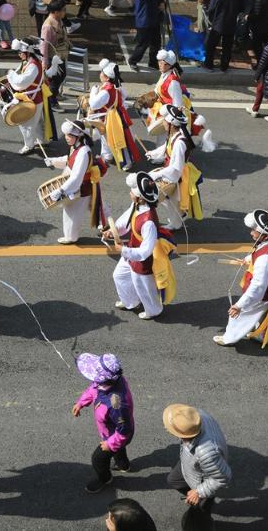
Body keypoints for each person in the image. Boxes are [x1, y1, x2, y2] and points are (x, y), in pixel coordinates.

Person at [104, 172, 177, 321]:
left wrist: (123, 250)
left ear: (140, 197)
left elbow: (145, 252)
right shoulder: (136, 205)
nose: (129, 192)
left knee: (143, 287)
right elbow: (125, 221)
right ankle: (130, 301)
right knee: (119, 275)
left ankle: (153, 310)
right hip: (132, 250)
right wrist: (113, 231)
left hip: (142, 257)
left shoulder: (148, 222)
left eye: (132, 191)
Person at [214, 210, 268, 347]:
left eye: (253, 230)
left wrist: (239, 305)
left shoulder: (265, 259)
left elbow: (258, 285)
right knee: (263, 313)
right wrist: (249, 259)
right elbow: (260, 255)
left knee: (239, 316)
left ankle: (228, 338)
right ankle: (263, 335)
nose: (251, 233)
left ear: (264, 234)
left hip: (261, 292)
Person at [71, 353, 135, 493]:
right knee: (119, 450)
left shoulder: (117, 405)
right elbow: (92, 389)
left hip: (115, 436)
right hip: (112, 433)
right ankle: (124, 465)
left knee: (98, 459)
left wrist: (109, 443)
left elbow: (124, 430)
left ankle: (105, 478)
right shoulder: (111, 381)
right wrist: (81, 403)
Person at [163, 403, 231, 531]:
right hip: (190, 466)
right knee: (173, 480)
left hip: (202, 479)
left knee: (199, 517)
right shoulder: (195, 417)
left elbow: (222, 477)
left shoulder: (206, 453)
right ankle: (199, 503)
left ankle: (204, 516)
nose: (167, 429)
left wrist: (199, 492)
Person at [43, 120, 105, 245]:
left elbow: (76, 176)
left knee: (71, 211)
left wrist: (61, 190)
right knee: (97, 208)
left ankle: (71, 237)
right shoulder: (76, 148)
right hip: (81, 186)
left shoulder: (83, 152)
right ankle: (108, 226)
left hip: (81, 188)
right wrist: (53, 161)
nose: (66, 138)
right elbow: (69, 161)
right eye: (66, 135)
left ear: (78, 136)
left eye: (70, 136)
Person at [146, 105, 203, 230]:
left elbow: (176, 167)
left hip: (178, 174)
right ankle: (177, 219)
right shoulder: (175, 135)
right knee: (171, 199)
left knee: (169, 197)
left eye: (165, 122)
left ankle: (175, 223)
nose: (164, 124)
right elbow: (166, 147)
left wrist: (156, 174)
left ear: (172, 124)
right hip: (174, 170)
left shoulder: (179, 143)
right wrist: (153, 153)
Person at [128, 0, 183, 70]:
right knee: (143, 44)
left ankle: (153, 62)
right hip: (144, 20)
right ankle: (133, 60)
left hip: (153, 17)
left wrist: (160, 2)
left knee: (156, 43)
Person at [88, 60, 142, 169]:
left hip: (110, 118)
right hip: (117, 115)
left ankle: (125, 161)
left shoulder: (105, 91)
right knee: (106, 137)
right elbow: (124, 96)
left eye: (102, 73)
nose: (100, 74)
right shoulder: (115, 85)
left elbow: (93, 104)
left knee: (117, 139)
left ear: (107, 77)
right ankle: (107, 156)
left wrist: (93, 92)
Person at [6, 37, 56, 154]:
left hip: (32, 98)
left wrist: (11, 74)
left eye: (20, 52)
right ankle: (43, 140)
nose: (19, 55)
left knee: (26, 123)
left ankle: (29, 146)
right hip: (34, 97)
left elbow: (21, 82)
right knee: (36, 121)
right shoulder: (30, 62)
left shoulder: (33, 66)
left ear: (28, 52)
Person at [203, 0, 245, 72]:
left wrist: (212, 18)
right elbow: (241, 9)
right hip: (231, 24)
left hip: (218, 24)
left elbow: (211, 9)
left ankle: (209, 65)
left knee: (211, 45)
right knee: (227, 47)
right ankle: (224, 67)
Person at [41, 0, 71, 108]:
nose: (65, 12)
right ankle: (52, 102)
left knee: (62, 75)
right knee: (56, 79)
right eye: (63, 10)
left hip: (59, 55)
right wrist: (44, 62)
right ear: (56, 12)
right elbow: (43, 45)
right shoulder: (48, 26)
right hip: (51, 58)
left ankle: (55, 94)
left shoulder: (59, 20)